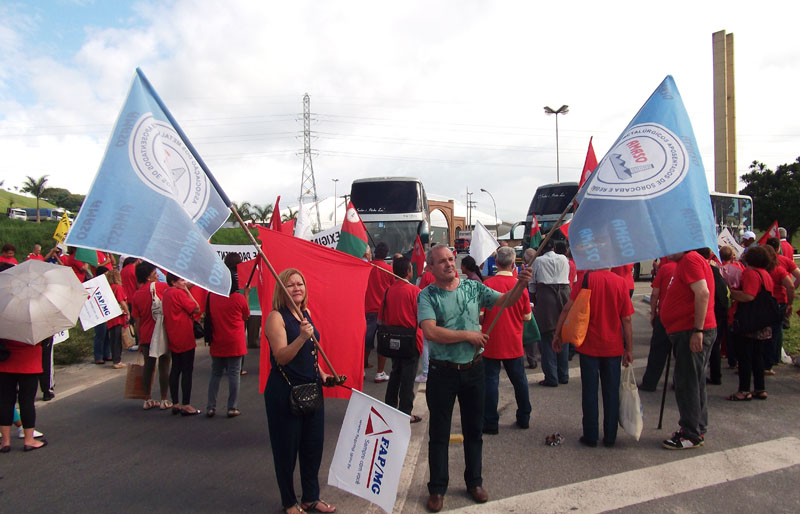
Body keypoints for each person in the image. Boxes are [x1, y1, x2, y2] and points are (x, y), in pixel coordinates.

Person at [417, 245, 532, 512]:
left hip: (473, 369)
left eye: (450, 259)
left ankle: (474, 482)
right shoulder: (427, 296)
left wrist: (521, 286)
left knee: (473, 430)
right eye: (441, 261)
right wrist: (469, 336)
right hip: (442, 372)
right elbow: (431, 332)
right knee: (439, 433)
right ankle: (436, 489)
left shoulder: (473, 288)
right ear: (430, 268)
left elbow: (504, 301)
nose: (448, 264)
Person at [264, 268, 342, 514]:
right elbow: (281, 357)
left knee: (313, 446)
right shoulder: (276, 317)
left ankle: (311, 497)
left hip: (311, 389)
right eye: (291, 285)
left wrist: (324, 376)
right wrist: (300, 338)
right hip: (285, 393)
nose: (297, 288)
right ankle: (289, 502)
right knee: (286, 450)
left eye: (300, 284)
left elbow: (311, 354)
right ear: (281, 289)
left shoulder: (305, 314)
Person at [554, 267, 633, 448]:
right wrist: (629, 348)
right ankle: (610, 436)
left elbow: (569, 307)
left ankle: (590, 435)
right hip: (613, 347)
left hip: (588, 345)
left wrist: (558, 334)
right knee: (611, 393)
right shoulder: (620, 282)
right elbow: (626, 319)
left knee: (589, 392)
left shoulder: (586, 278)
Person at [659, 248, 716, 450]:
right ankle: (697, 426)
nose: (666, 251)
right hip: (686, 330)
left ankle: (691, 433)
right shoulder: (686, 262)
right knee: (694, 381)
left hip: (690, 330)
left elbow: (702, 293)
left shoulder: (690, 260)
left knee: (687, 383)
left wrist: (697, 330)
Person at [481, 246, 532, 434]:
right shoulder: (520, 286)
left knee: (490, 382)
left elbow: (480, 315)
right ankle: (524, 416)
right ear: (513, 264)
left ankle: (490, 422)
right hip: (513, 340)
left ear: (496, 263)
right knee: (519, 381)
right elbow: (527, 316)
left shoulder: (487, 285)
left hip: (491, 340)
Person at [727, 245, 775, 401]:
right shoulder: (766, 274)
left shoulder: (750, 274)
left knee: (745, 356)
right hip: (763, 321)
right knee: (757, 356)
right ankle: (760, 388)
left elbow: (749, 296)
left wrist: (732, 292)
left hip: (749, 321)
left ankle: (744, 390)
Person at [380, 257, 423, 422]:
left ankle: (389, 407)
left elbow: (381, 317)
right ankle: (405, 412)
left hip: (392, 339)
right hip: (410, 340)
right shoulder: (414, 291)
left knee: (395, 373)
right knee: (408, 378)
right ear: (408, 272)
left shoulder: (388, 290)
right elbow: (421, 317)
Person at [206, 269, 250, 418]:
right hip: (235, 342)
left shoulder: (212, 297)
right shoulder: (238, 298)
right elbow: (246, 315)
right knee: (234, 374)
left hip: (217, 340)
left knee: (215, 374)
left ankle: (211, 406)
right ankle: (232, 407)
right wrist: (247, 294)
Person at [130, 261, 172, 410]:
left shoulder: (136, 295)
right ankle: (164, 399)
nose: (157, 274)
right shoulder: (162, 287)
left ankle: (147, 399)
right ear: (148, 277)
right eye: (154, 273)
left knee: (149, 366)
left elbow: (137, 320)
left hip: (147, 335)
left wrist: (140, 339)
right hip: (162, 333)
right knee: (164, 365)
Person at [530, 240, 571, 387]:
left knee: (547, 336)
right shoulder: (564, 259)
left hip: (546, 294)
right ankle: (563, 374)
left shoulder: (538, 261)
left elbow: (532, 284)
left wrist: (535, 300)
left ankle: (551, 376)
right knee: (563, 334)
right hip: (565, 293)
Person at [162, 273, 201, 416]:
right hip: (184, 335)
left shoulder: (166, 294)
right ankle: (186, 404)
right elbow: (196, 308)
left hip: (172, 334)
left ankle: (175, 402)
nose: (184, 282)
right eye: (181, 280)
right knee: (187, 371)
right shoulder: (178, 294)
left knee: (176, 369)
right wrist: (186, 291)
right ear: (173, 282)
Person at [0, 339, 47, 452]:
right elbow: (45, 341)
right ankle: (29, 440)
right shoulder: (34, 323)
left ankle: (5, 442)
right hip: (29, 362)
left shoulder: (4, 321)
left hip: (6, 362)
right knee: (27, 402)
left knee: (5, 402)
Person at [639, 256, 678, 391]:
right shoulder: (687, 268)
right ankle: (678, 382)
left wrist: (653, 312)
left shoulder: (665, 268)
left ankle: (650, 382)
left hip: (664, 315)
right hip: (681, 318)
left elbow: (655, 293)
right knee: (679, 354)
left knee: (657, 351)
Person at [761, 244, 794, 376]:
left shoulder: (759, 271)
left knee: (765, 333)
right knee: (776, 332)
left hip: (764, 304)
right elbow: (790, 286)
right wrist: (790, 303)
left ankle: (765, 360)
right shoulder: (779, 270)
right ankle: (773, 359)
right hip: (778, 303)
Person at [364, 242, 394, 382]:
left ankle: (362, 369)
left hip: (368, 309)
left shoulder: (367, 267)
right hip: (383, 312)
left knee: (366, 341)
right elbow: (394, 288)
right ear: (386, 254)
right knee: (382, 343)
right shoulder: (389, 269)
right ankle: (379, 372)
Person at [105, 269, 130, 369]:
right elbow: (122, 302)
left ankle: (115, 358)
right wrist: (127, 312)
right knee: (117, 339)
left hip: (111, 317)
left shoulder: (108, 288)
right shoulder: (118, 288)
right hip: (118, 316)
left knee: (113, 338)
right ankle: (117, 360)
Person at [92, 266, 112, 365]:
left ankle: (106, 354)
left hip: (107, 312)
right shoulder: (94, 285)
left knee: (107, 334)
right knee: (100, 334)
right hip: (99, 313)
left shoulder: (107, 285)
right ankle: (98, 356)